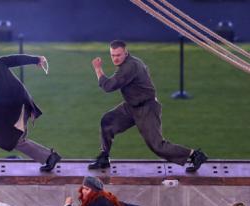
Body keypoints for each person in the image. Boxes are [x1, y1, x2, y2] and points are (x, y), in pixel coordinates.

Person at [88, 40, 207, 172]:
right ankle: (104, 157)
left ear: (126, 53)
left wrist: (98, 69)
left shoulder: (129, 67)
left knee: (157, 146)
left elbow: (108, 86)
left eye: (118, 55)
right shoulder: (132, 63)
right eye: (112, 55)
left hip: (146, 108)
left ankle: (195, 155)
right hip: (132, 106)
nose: (115, 58)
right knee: (107, 120)